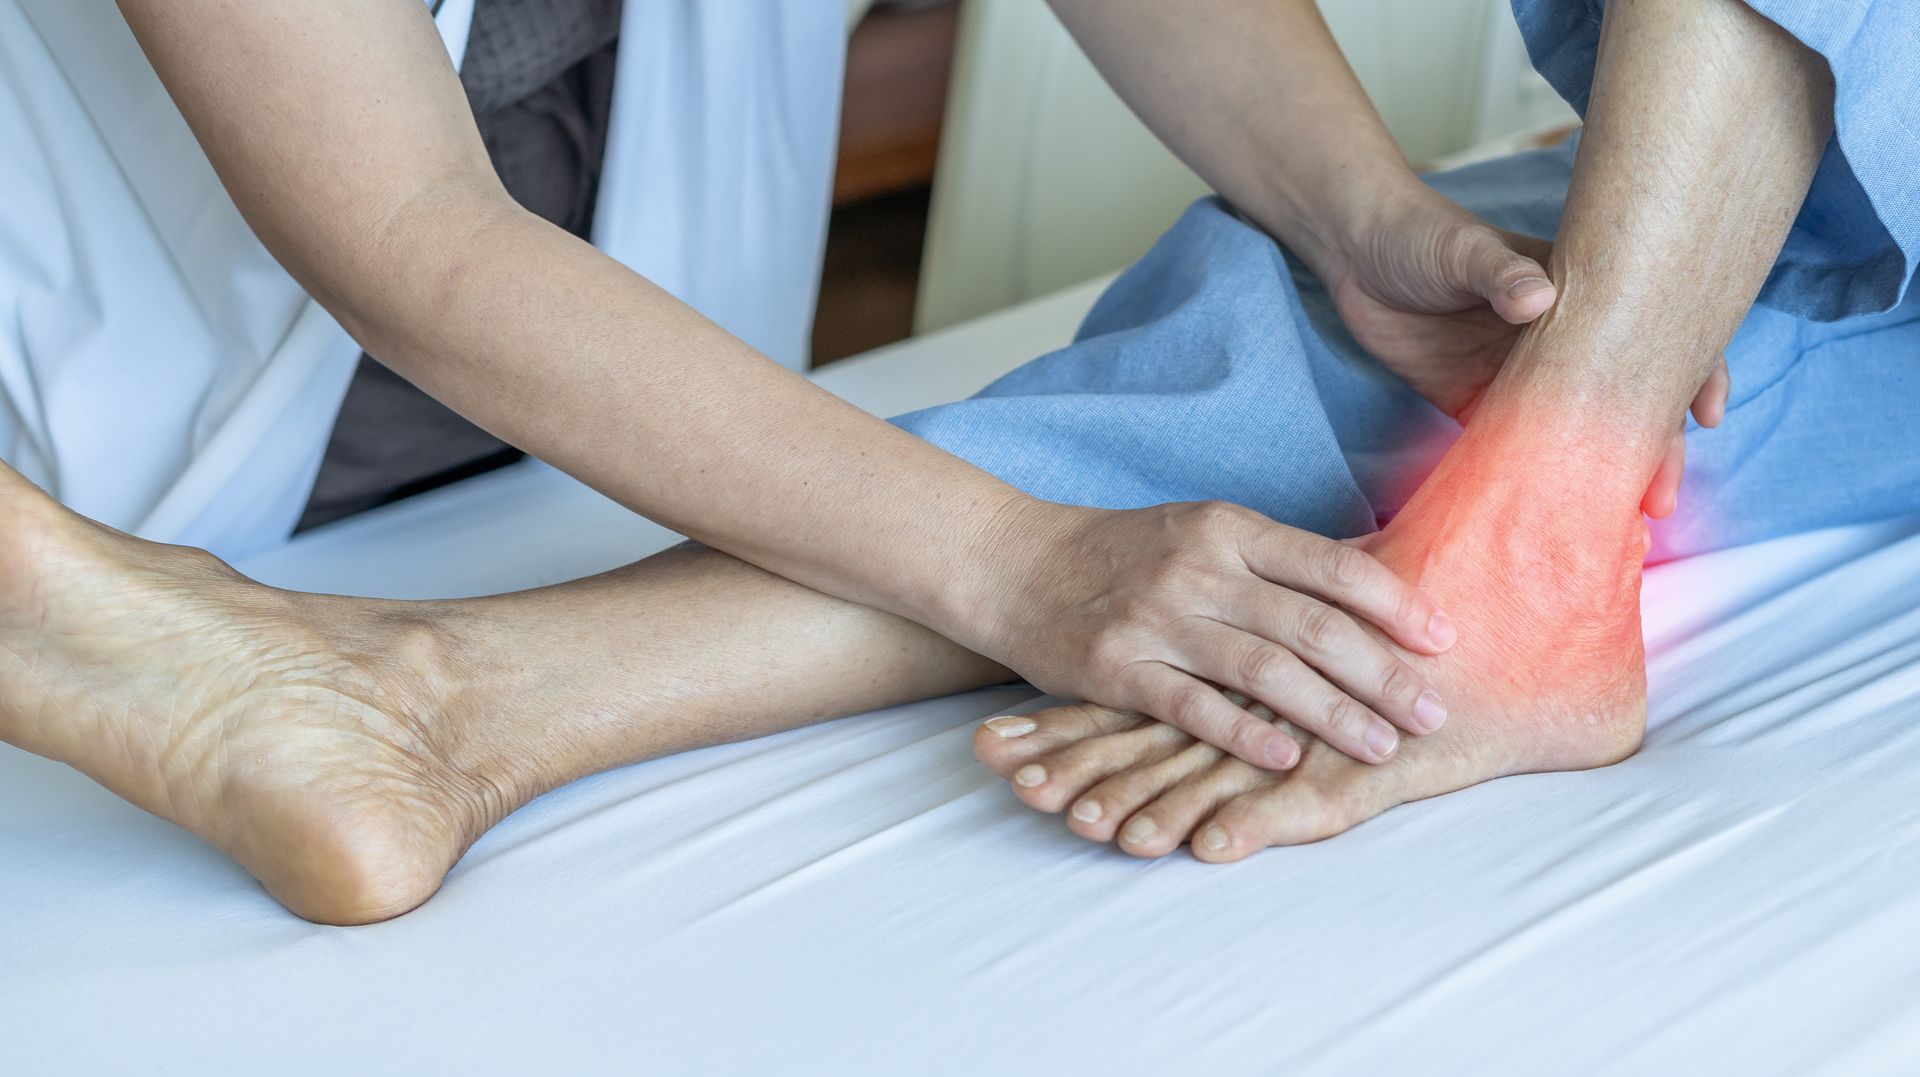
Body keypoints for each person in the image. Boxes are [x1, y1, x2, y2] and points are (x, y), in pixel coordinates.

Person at [3, 0, 1913, 925]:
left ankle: (439, 691)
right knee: (1465, 362)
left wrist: (1358, 217)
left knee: (1494, 326)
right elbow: (416, 232)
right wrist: (1020, 562)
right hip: (162, 385)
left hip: (546, 344)